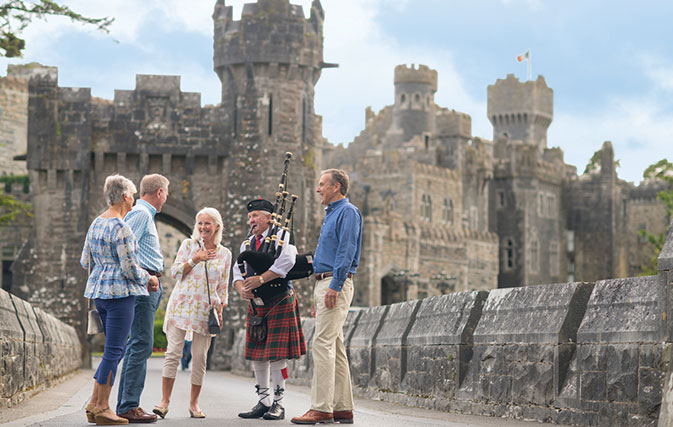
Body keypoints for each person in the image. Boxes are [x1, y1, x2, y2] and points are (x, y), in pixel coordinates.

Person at [81, 175, 160, 426]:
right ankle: (103, 407)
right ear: (125, 196)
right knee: (115, 351)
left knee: (111, 351)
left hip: (98, 293)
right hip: (120, 294)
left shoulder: (96, 223)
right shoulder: (121, 227)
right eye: (133, 195)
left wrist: (104, 267)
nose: (134, 199)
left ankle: (94, 404)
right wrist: (149, 279)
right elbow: (129, 268)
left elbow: (86, 261)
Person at [291, 169, 362, 425]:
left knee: (322, 344)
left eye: (322, 184)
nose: (318, 189)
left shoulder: (348, 212)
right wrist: (319, 292)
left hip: (334, 283)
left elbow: (346, 251)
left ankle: (321, 408)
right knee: (336, 347)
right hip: (325, 283)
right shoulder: (331, 214)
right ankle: (343, 408)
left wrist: (335, 285)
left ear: (337, 187)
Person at [153, 207, 231, 419]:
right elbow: (175, 272)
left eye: (207, 223)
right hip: (182, 306)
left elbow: (223, 287)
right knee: (173, 354)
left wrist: (220, 310)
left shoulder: (225, 254)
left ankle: (194, 404)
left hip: (206, 311)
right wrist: (195, 258)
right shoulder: (188, 245)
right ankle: (164, 401)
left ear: (217, 226)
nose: (203, 227)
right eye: (200, 223)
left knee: (199, 358)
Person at [234, 198, 306, 421]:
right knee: (258, 356)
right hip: (257, 304)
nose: (251, 220)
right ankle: (263, 401)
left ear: (269, 218)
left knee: (276, 356)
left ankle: (279, 403)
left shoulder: (282, 236)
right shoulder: (247, 243)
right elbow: (237, 273)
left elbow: (287, 262)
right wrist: (241, 289)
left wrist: (261, 279)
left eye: (255, 216)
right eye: (249, 217)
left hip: (279, 299)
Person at [116, 174, 169, 423]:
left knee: (137, 344)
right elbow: (124, 249)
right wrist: (145, 278)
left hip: (148, 287)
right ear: (159, 192)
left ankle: (127, 404)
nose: (166, 198)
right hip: (144, 288)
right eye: (166, 193)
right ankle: (128, 405)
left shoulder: (144, 214)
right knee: (141, 345)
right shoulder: (141, 214)